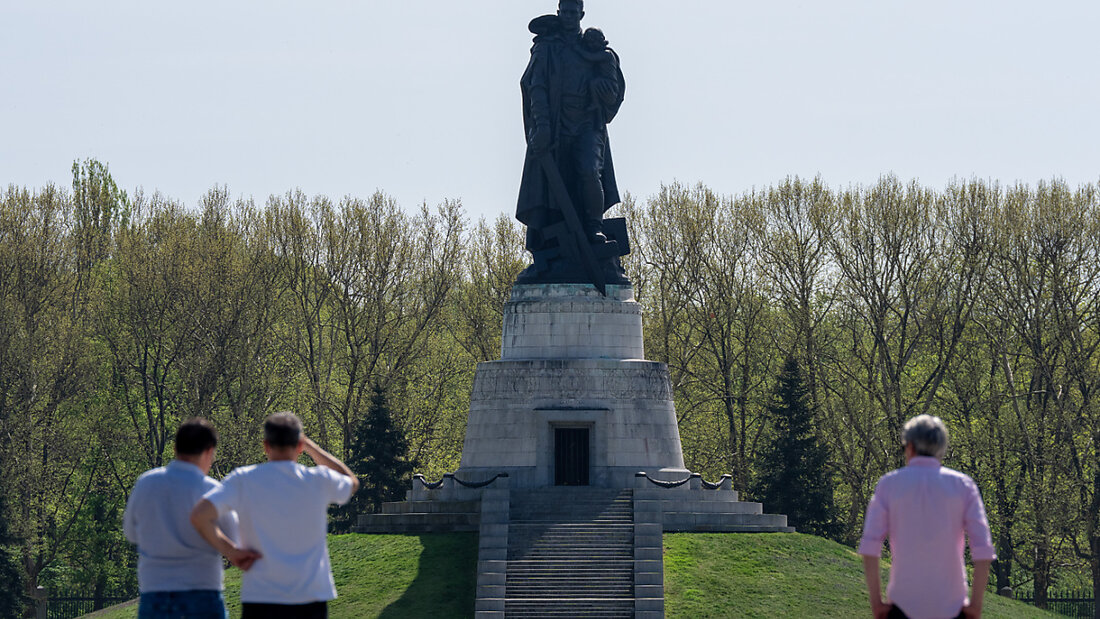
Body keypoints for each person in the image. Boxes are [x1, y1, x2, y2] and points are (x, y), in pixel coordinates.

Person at [190, 412, 359, 619]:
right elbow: (351, 482)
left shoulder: (243, 479)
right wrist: (311, 447)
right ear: (299, 445)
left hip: (261, 597)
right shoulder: (318, 480)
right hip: (310, 596)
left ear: (266, 445)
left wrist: (231, 551)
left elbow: (200, 515)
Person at [515, 0, 628, 283]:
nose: (567, 17)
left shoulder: (595, 50)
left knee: (590, 172)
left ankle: (594, 229)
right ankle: (545, 253)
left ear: (581, 14)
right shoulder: (547, 47)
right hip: (554, 127)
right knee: (550, 189)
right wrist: (540, 126)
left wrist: (603, 91)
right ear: (558, 13)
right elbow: (535, 86)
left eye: (572, 12)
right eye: (563, 12)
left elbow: (613, 93)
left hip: (588, 125)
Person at [859, 415, 997, 619]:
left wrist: (876, 603)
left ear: (910, 447)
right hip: (952, 607)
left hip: (902, 606)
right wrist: (975, 605)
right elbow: (983, 549)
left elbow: (870, 546)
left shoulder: (889, 485)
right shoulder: (963, 486)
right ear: (941, 448)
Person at [124, 418, 246, 619]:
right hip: (202, 589)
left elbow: (130, 533)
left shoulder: (146, 483)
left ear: (175, 448)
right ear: (209, 451)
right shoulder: (213, 490)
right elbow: (234, 540)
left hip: (155, 589)